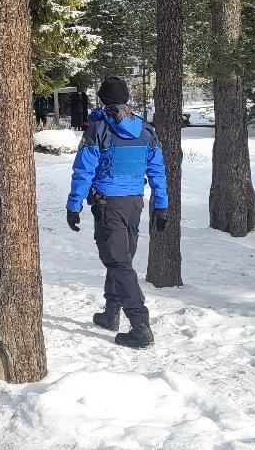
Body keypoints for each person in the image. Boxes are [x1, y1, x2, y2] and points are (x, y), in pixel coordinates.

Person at [66, 76, 168, 349]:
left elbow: (84, 169)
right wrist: (161, 204)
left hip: (108, 204)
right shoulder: (146, 129)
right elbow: (157, 170)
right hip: (134, 203)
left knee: (118, 262)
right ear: (126, 99)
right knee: (121, 259)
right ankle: (111, 313)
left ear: (102, 98)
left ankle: (140, 324)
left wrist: (74, 205)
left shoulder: (98, 128)